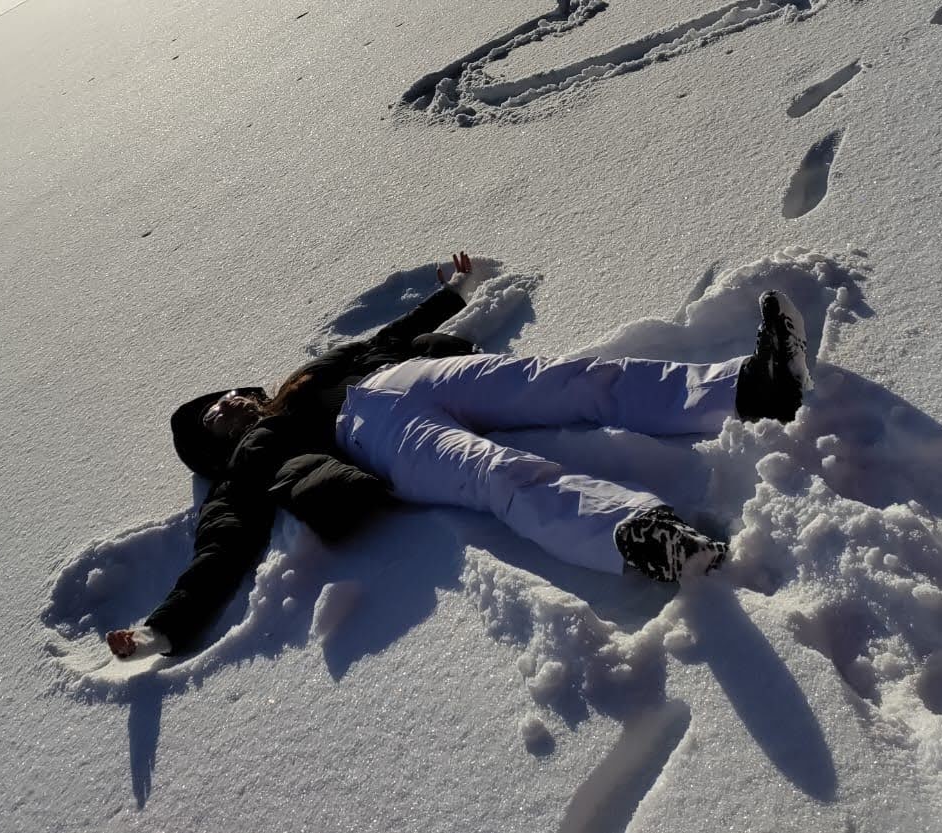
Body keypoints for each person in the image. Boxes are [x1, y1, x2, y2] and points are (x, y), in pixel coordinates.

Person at [105, 253, 810, 659]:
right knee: (494, 475)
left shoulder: (303, 379)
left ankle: (753, 385)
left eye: (219, 398)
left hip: (403, 379)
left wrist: (450, 294)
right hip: (375, 441)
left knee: (570, 380)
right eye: (214, 419)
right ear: (218, 443)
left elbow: (384, 336)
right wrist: (165, 626)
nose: (225, 405)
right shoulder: (253, 457)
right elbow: (222, 541)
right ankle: (644, 537)